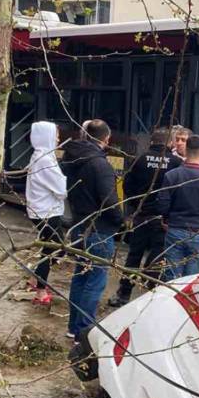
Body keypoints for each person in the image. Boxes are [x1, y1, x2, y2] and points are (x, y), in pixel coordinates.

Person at [62, 119, 123, 340]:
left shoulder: (72, 159)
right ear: (106, 139)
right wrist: (121, 221)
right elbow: (109, 201)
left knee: (80, 276)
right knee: (95, 281)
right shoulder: (100, 164)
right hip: (99, 230)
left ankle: (73, 327)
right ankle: (85, 332)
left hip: (79, 226)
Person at [108, 127, 181, 307]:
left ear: (151, 142)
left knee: (134, 256)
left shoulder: (139, 160)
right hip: (162, 219)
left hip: (141, 216)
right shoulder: (176, 162)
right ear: (170, 143)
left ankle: (123, 294)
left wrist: (136, 205)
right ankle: (149, 297)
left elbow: (127, 187)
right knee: (157, 258)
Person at [158, 135, 199, 279]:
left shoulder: (172, 176)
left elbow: (162, 205)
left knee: (171, 278)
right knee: (192, 281)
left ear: (186, 151)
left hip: (175, 230)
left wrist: (166, 219)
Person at [25, 121, 68, 306]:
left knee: (51, 246)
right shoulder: (45, 160)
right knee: (53, 248)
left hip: (40, 210)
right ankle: (40, 290)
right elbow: (61, 189)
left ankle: (36, 280)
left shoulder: (40, 156)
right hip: (46, 212)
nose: (58, 139)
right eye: (56, 135)